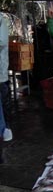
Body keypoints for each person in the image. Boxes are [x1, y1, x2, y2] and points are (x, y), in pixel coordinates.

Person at [0, 12, 12, 142]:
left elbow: (2, 41)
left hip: (0, 71)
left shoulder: (1, 19)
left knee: (3, 101)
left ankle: (6, 128)